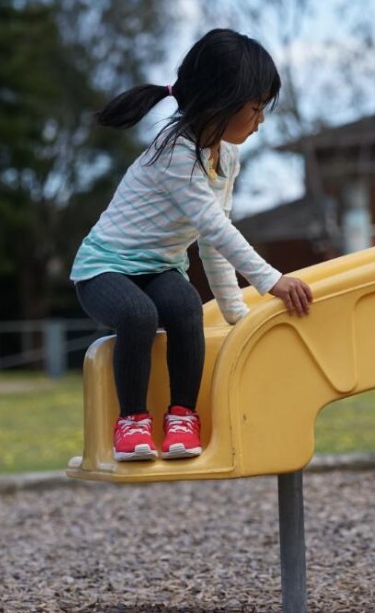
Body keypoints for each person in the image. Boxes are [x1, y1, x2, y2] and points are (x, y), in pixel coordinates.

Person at [71, 29, 314, 462]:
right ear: (220, 101)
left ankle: (182, 416)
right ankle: (132, 421)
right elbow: (215, 227)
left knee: (185, 306)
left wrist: (236, 314)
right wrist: (271, 281)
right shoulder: (175, 154)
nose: (260, 121)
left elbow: (212, 241)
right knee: (138, 314)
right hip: (104, 269)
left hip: (159, 268)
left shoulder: (227, 157)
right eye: (256, 108)